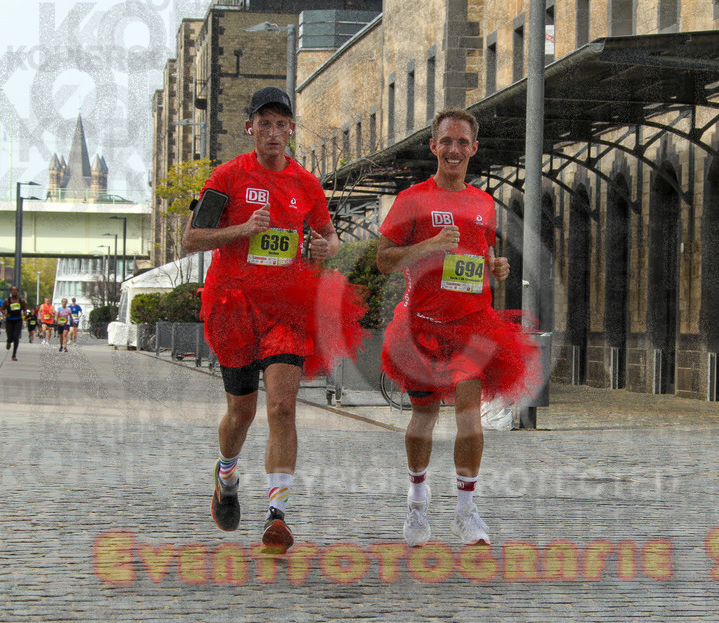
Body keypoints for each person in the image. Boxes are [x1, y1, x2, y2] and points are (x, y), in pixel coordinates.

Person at [181, 86, 367, 553]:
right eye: (264, 123)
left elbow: (330, 236)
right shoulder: (227, 176)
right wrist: (243, 229)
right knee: (241, 412)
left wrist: (326, 247)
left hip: (287, 306)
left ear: (291, 131)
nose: (272, 132)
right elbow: (192, 238)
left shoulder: (306, 183)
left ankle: (277, 515)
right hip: (235, 305)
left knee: (282, 407)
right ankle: (226, 475)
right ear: (250, 128)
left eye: (281, 124)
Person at [377, 109, 541, 548]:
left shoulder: (483, 203)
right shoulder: (412, 199)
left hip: (472, 326)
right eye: (446, 141)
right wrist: (429, 245)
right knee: (424, 417)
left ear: (474, 148)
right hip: (422, 326)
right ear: (434, 146)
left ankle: (466, 511)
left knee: (470, 417)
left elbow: (481, 255)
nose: (454, 149)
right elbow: (384, 259)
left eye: (462, 142)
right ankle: (417, 502)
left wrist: (496, 266)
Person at [2, 286, 27, 361]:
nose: (14, 291)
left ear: (18, 291)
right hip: (9, 320)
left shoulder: (21, 301)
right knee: (10, 337)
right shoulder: (7, 301)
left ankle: (14, 355)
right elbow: (2, 309)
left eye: (16, 290)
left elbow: (25, 309)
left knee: (16, 337)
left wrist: (25, 313)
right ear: (10, 291)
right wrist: (5, 313)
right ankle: (8, 341)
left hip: (18, 320)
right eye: (13, 290)